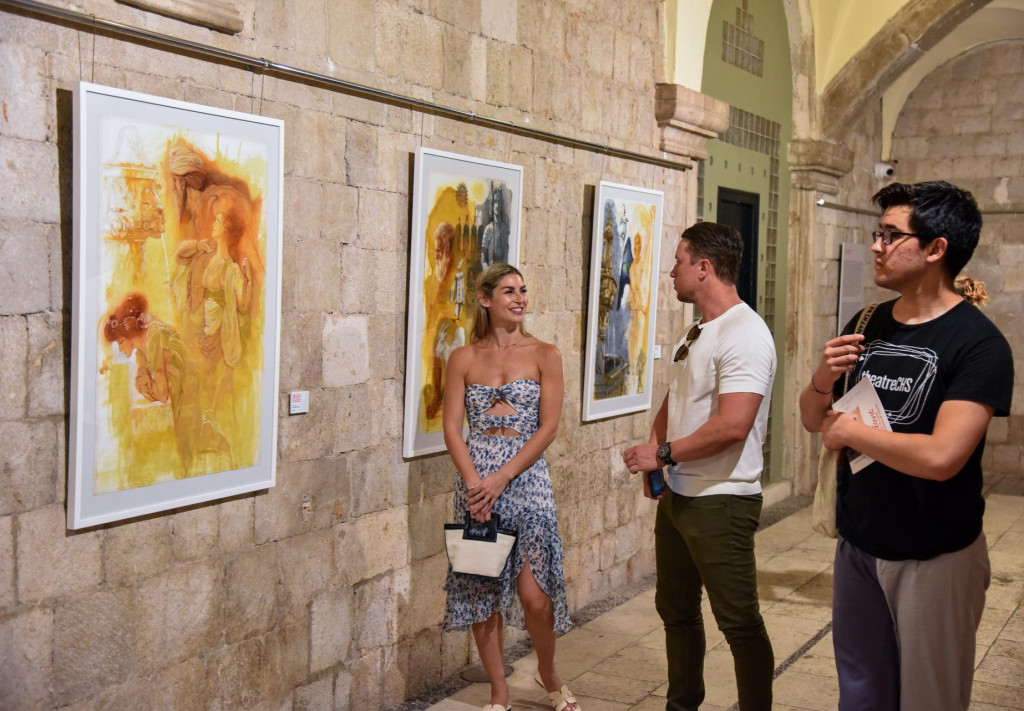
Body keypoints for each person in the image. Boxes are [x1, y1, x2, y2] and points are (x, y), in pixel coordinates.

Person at [799, 181, 1013, 711]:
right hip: (859, 543)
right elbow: (812, 419)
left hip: (933, 554)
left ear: (936, 248)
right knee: (860, 695)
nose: (876, 245)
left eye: (891, 236)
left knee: (928, 699)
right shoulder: (867, 323)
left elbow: (942, 457)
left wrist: (851, 433)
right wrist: (822, 378)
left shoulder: (979, 344)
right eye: (878, 233)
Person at [623, 222, 776, 711]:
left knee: (739, 622)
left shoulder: (746, 333)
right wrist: (655, 451)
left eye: (679, 262)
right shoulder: (700, 329)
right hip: (681, 494)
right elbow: (679, 395)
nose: (672, 272)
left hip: (722, 498)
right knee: (676, 609)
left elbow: (733, 425)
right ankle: (682, 704)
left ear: (704, 267)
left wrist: (664, 454)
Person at [442, 264, 580, 711]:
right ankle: (498, 692)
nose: (520, 298)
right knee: (483, 592)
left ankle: (549, 672)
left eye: (522, 290)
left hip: (526, 479)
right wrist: (474, 484)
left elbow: (548, 428)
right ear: (485, 299)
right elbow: (451, 428)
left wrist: (503, 477)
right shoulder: (463, 358)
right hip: (477, 482)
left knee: (535, 597)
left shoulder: (545, 354)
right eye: (508, 291)